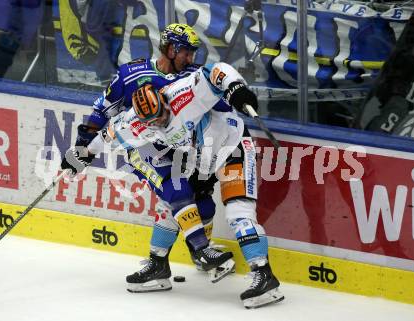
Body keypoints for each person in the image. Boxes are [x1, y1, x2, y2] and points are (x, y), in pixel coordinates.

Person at [63, 60, 284, 308]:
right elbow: (106, 137)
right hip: (200, 162)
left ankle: (264, 275)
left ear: (164, 101)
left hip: (233, 149)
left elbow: (215, 71)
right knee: (171, 203)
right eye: (152, 121)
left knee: (238, 212)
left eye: (162, 114)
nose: (160, 122)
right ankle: (158, 265)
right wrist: (82, 155)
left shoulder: (184, 94)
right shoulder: (132, 123)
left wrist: (235, 87)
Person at [62, 23, 235, 283]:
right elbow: (101, 110)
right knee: (176, 190)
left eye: (192, 53)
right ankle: (200, 251)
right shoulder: (130, 74)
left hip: (185, 148)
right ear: (170, 49)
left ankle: (167, 261)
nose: (190, 58)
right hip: (143, 148)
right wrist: (82, 148)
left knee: (201, 202)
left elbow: (217, 105)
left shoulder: (191, 75)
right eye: (185, 52)